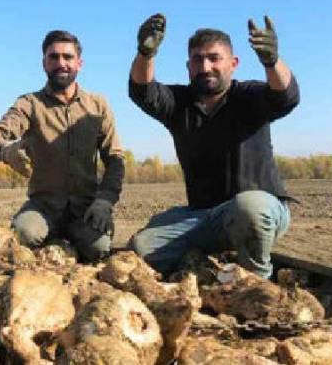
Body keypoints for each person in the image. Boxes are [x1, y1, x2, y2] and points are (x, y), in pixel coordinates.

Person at [128, 14, 299, 278]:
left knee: (250, 208)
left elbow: (285, 96)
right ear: (188, 66)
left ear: (233, 64)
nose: (205, 66)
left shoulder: (249, 96)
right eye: (197, 59)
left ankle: (256, 282)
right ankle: (209, 270)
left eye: (214, 58)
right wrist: (145, 53)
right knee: (142, 248)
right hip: (204, 216)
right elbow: (142, 91)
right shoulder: (178, 103)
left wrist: (272, 61)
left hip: (258, 210)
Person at [0, 30, 125, 262]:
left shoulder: (98, 106)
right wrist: (5, 151)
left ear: (80, 63)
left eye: (68, 57)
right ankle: (52, 243)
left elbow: (115, 159)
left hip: (85, 209)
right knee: (24, 233)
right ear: (44, 63)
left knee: (99, 247)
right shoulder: (29, 104)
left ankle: (67, 242)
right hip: (43, 207)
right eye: (53, 57)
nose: (61, 63)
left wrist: (105, 201)